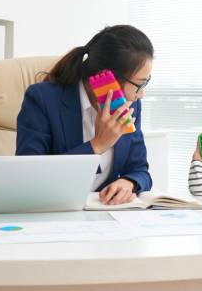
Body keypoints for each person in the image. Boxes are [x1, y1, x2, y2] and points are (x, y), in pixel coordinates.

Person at [16, 25, 153, 205]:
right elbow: (29, 176)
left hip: (104, 215)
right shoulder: (42, 99)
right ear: (106, 76)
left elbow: (140, 169)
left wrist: (129, 182)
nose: (140, 94)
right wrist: (97, 145)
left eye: (146, 83)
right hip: (52, 210)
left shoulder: (130, 104)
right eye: (139, 84)